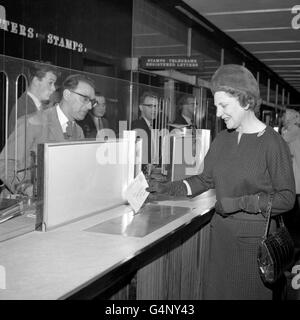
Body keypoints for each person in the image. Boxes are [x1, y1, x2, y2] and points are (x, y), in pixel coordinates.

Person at [147, 64, 296, 300]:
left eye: (224, 105)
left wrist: (239, 203)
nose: (218, 113)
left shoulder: (272, 142)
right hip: (221, 240)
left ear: (246, 102)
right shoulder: (222, 140)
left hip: (252, 247)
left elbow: (287, 198)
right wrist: (167, 188)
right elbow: (204, 180)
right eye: (216, 106)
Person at [0, 74, 96, 195]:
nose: (89, 106)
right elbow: (5, 164)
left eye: (92, 101)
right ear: (67, 95)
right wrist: (29, 189)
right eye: (85, 99)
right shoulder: (32, 123)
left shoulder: (78, 131)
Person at [8, 61, 60, 135]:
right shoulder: (24, 108)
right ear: (36, 81)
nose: (53, 88)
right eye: (50, 83)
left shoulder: (34, 105)